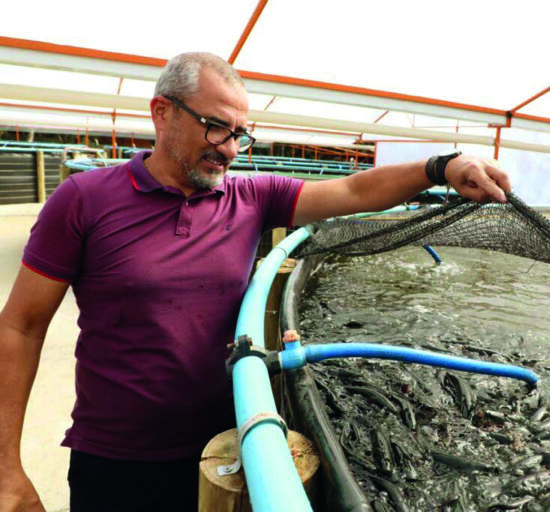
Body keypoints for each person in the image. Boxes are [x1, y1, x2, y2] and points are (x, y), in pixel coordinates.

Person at [0, 52, 510, 512]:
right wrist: (6, 471)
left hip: (228, 444)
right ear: (162, 113)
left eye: (240, 134)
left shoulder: (252, 198)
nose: (231, 150)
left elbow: (356, 188)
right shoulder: (83, 200)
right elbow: (20, 328)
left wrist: (442, 166)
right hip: (118, 459)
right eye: (216, 127)